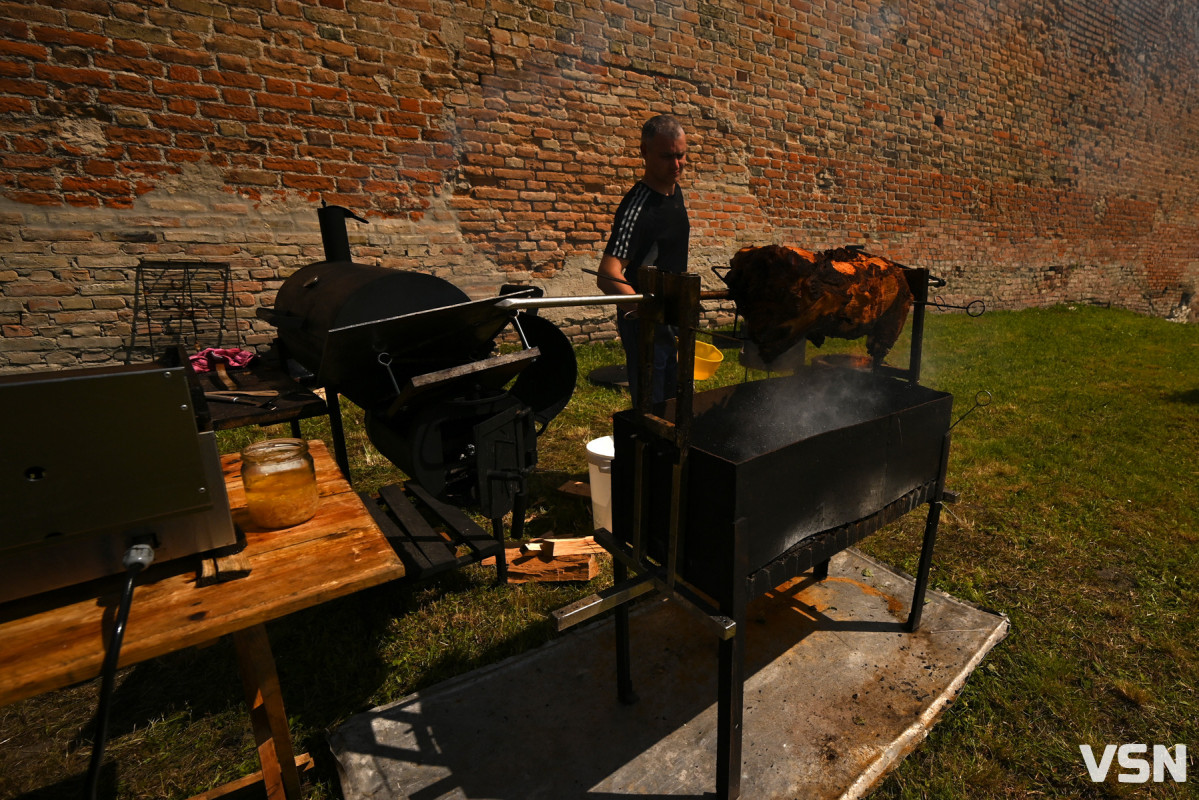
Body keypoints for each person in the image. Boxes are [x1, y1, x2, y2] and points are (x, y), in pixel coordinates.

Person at [596, 114, 690, 405]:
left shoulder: (675, 192)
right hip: (645, 322)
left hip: (673, 316)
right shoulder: (637, 207)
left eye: (681, 156)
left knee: (676, 398)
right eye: (667, 157)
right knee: (652, 404)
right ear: (644, 152)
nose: (677, 165)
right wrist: (648, 309)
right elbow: (607, 274)